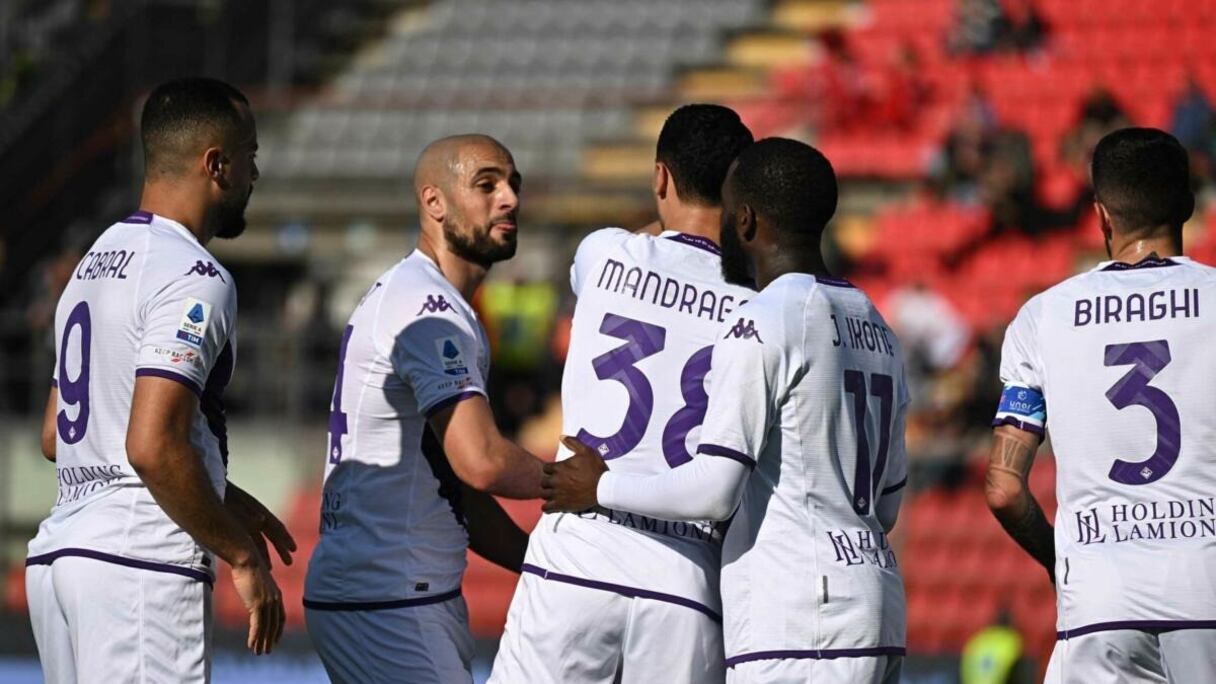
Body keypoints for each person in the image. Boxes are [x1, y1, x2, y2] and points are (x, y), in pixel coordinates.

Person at [543, 137, 909, 684]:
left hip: (801, 614)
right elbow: (888, 504)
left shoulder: (766, 318)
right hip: (875, 598)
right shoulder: (875, 324)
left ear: (745, 220)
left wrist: (599, 487)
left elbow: (714, 491)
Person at [26, 77, 293, 683]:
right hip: (138, 562)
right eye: (249, 156)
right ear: (216, 164)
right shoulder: (195, 275)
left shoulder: (92, 263)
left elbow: (55, 436)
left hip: (61, 555)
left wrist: (218, 492)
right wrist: (242, 556)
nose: (255, 174)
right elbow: (150, 447)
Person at [489, 104, 755, 684]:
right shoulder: (759, 306)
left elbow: (651, 256)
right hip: (685, 576)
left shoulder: (604, 252)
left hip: (578, 551)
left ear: (660, 177)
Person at [303, 134, 541, 684]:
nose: (509, 199)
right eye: (486, 185)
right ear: (435, 202)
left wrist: (538, 563)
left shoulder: (428, 296)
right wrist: (584, 483)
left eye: (513, 185)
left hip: (395, 594)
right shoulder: (427, 306)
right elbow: (481, 461)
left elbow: (456, 488)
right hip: (388, 600)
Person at [985, 127, 1216, 683]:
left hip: (1098, 599)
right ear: (1187, 206)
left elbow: (1004, 488)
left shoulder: (1042, 317)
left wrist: (1058, 559)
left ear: (1101, 216)